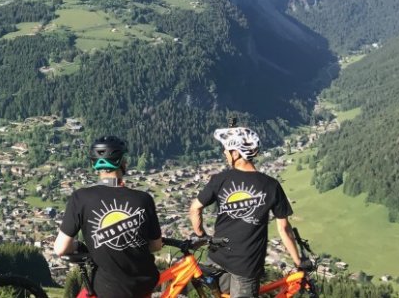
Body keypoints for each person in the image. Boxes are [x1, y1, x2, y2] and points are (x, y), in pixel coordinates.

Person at [189, 126, 304, 298]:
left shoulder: (220, 179)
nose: (224, 153)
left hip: (217, 257)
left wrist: (202, 235)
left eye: (226, 149)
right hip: (247, 264)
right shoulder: (271, 185)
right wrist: (298, 261)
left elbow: (195, 208)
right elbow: (284, 229)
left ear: (236, 154)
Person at [54, 136, 163, 298]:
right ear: (122, 162)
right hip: (144, 284)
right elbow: (156, 245)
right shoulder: (144, 199)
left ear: (95, 164)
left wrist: (81, 247)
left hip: (107, 289)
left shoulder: (81, 198)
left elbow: (60, 248)